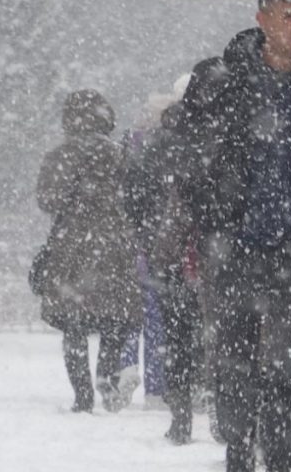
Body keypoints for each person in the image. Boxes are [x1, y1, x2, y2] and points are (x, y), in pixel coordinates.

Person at [179, 0, 291, 472]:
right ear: (263, 19)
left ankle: (284, 458)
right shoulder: (219, 80)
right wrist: (214, 218)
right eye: (290, 15)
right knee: (234, 368)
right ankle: (239, 454)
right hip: (236, 246)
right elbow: (186, 157)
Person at [35, 89, 143, 413]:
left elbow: (47, 201)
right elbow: (137, 198)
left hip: (71, 246)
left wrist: (75, 198)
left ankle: (82, 395)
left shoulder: (59, 155)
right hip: (115, 245)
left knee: (74, 324)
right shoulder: (120, 154)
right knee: (114, 320)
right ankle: (106, 376)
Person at [125, 79, 206, 444]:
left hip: (168, 254)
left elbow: (134, 194)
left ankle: (181, 411)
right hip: (212, 254)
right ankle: (215, 402)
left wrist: (149, 233)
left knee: (176, 335)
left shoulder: (160, 141)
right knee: (213, 333)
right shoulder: (222, 137)